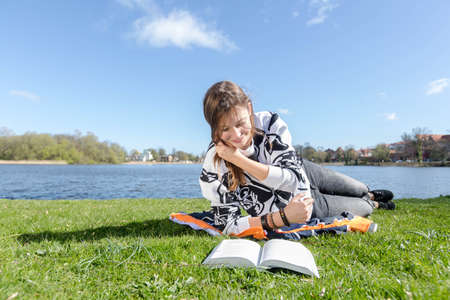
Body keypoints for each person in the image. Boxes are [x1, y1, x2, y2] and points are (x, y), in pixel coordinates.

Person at [199, 80, 395, 235]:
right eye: (225, 129)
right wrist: (282, 218)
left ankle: (370, 193)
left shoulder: (269, 123)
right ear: (214, 128)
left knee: (359, 188)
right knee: (364, 207)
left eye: (240, 123)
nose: (236, 135)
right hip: (302, 205)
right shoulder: (214, 162)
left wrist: (239, 160)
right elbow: (227, 225)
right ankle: (374, 203)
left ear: (249, 108)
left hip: (305, 173)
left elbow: (294, 179)